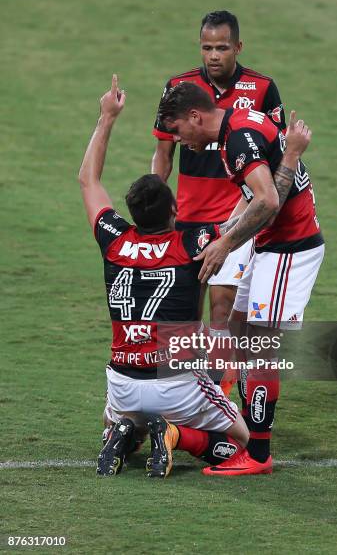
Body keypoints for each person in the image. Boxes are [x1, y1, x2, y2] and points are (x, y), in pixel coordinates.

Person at [78, 75, 249, 478]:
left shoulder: (114, 240)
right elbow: (249, 208)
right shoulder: (194, 243)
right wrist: (283, 158)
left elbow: (88, 180)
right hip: (176, 384)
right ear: (174, 211)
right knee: (243, 441)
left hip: (122, 382)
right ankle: (174, 433)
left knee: (121, 415)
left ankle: (121, 432)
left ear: (132, 214)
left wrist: (106, 117)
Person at [158, 82, 324, 475]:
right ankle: (244, 430)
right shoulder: (242, 122)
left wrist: (225, 244)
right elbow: (255, 193)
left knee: (259, 347)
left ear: (196, 118)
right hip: (271, 245)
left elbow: (268, 200)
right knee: (237, 332)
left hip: (290, 248)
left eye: (178, 130)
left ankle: (259, 454)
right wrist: (224, 232)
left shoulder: (238, 138)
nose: (179, 140)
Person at [152, 10, 286, 342]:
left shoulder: (263, 87)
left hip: (234, 219)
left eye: (222, 48)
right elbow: (164, 152)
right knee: (183, 311)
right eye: (207, 47)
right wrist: (156, 203)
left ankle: (220, 388)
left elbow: (276, 153)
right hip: (187, 217)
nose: (214, 55)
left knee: (223, 313)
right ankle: (187, 388)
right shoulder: (178, 89)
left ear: (238, 47)